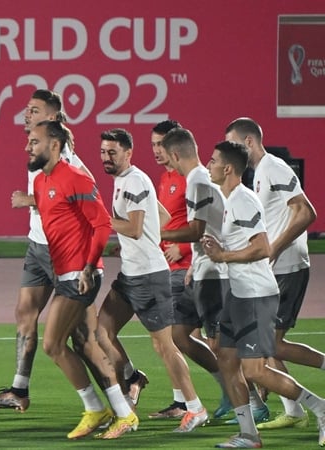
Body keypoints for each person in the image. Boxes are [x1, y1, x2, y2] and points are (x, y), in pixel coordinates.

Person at [0, 88, 109, 412]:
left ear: (52, 118)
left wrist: (29, 200)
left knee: (82, 337)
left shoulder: (67, 159)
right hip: (38, 246)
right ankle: (18, 390)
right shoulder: (38, 151)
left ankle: (124, 386)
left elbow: (85, 202)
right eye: (27, 109)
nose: (26, 114)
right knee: (24, 313)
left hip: (63, 252)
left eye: (34, 110)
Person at [201, 140, 325, 448]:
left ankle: (321, 408)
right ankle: (249, 435)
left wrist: (222, 257)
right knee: (227, 360)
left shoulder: (244, 200)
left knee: (255, 370)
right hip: (238, 293)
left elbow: (262, 247)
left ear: (227, 168)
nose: (209, 164)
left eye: (213, 160)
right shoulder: (228, 199)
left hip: (256, 296)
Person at [94, 128, 208, 433]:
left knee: (165, 346)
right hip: (131, 274)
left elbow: (132, 227)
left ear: (128, 153)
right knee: (102, 332)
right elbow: (161, 218)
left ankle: (195, 408)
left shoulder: (133, 180)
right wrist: (138, 241)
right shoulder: (127, 180)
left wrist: (100, 219)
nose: (106, 157)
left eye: (112, 152)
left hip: (148, 277)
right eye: (103, 152)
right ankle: (131, 379)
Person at [29, 120, 137, 440]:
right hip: (65, 273)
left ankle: (96, 408)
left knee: (52, 344)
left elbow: (102, 224)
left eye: (34, 142)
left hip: (81, 275)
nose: (27, 147)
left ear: (53, 145)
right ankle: (122, 412)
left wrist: (89, 267)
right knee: (86, 344)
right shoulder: (40, 182)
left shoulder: (76, 177)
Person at [148, 120, 229, 420]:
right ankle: (232, 396)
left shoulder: (196, 181)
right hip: (199, 270)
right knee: (180, 335)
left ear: (176, 154)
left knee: (224, 347)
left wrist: (159, 234)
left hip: (215, 273)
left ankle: (252, 406)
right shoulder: (196, 179)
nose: (163, 159)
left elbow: (197, 230)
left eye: (165, 153)